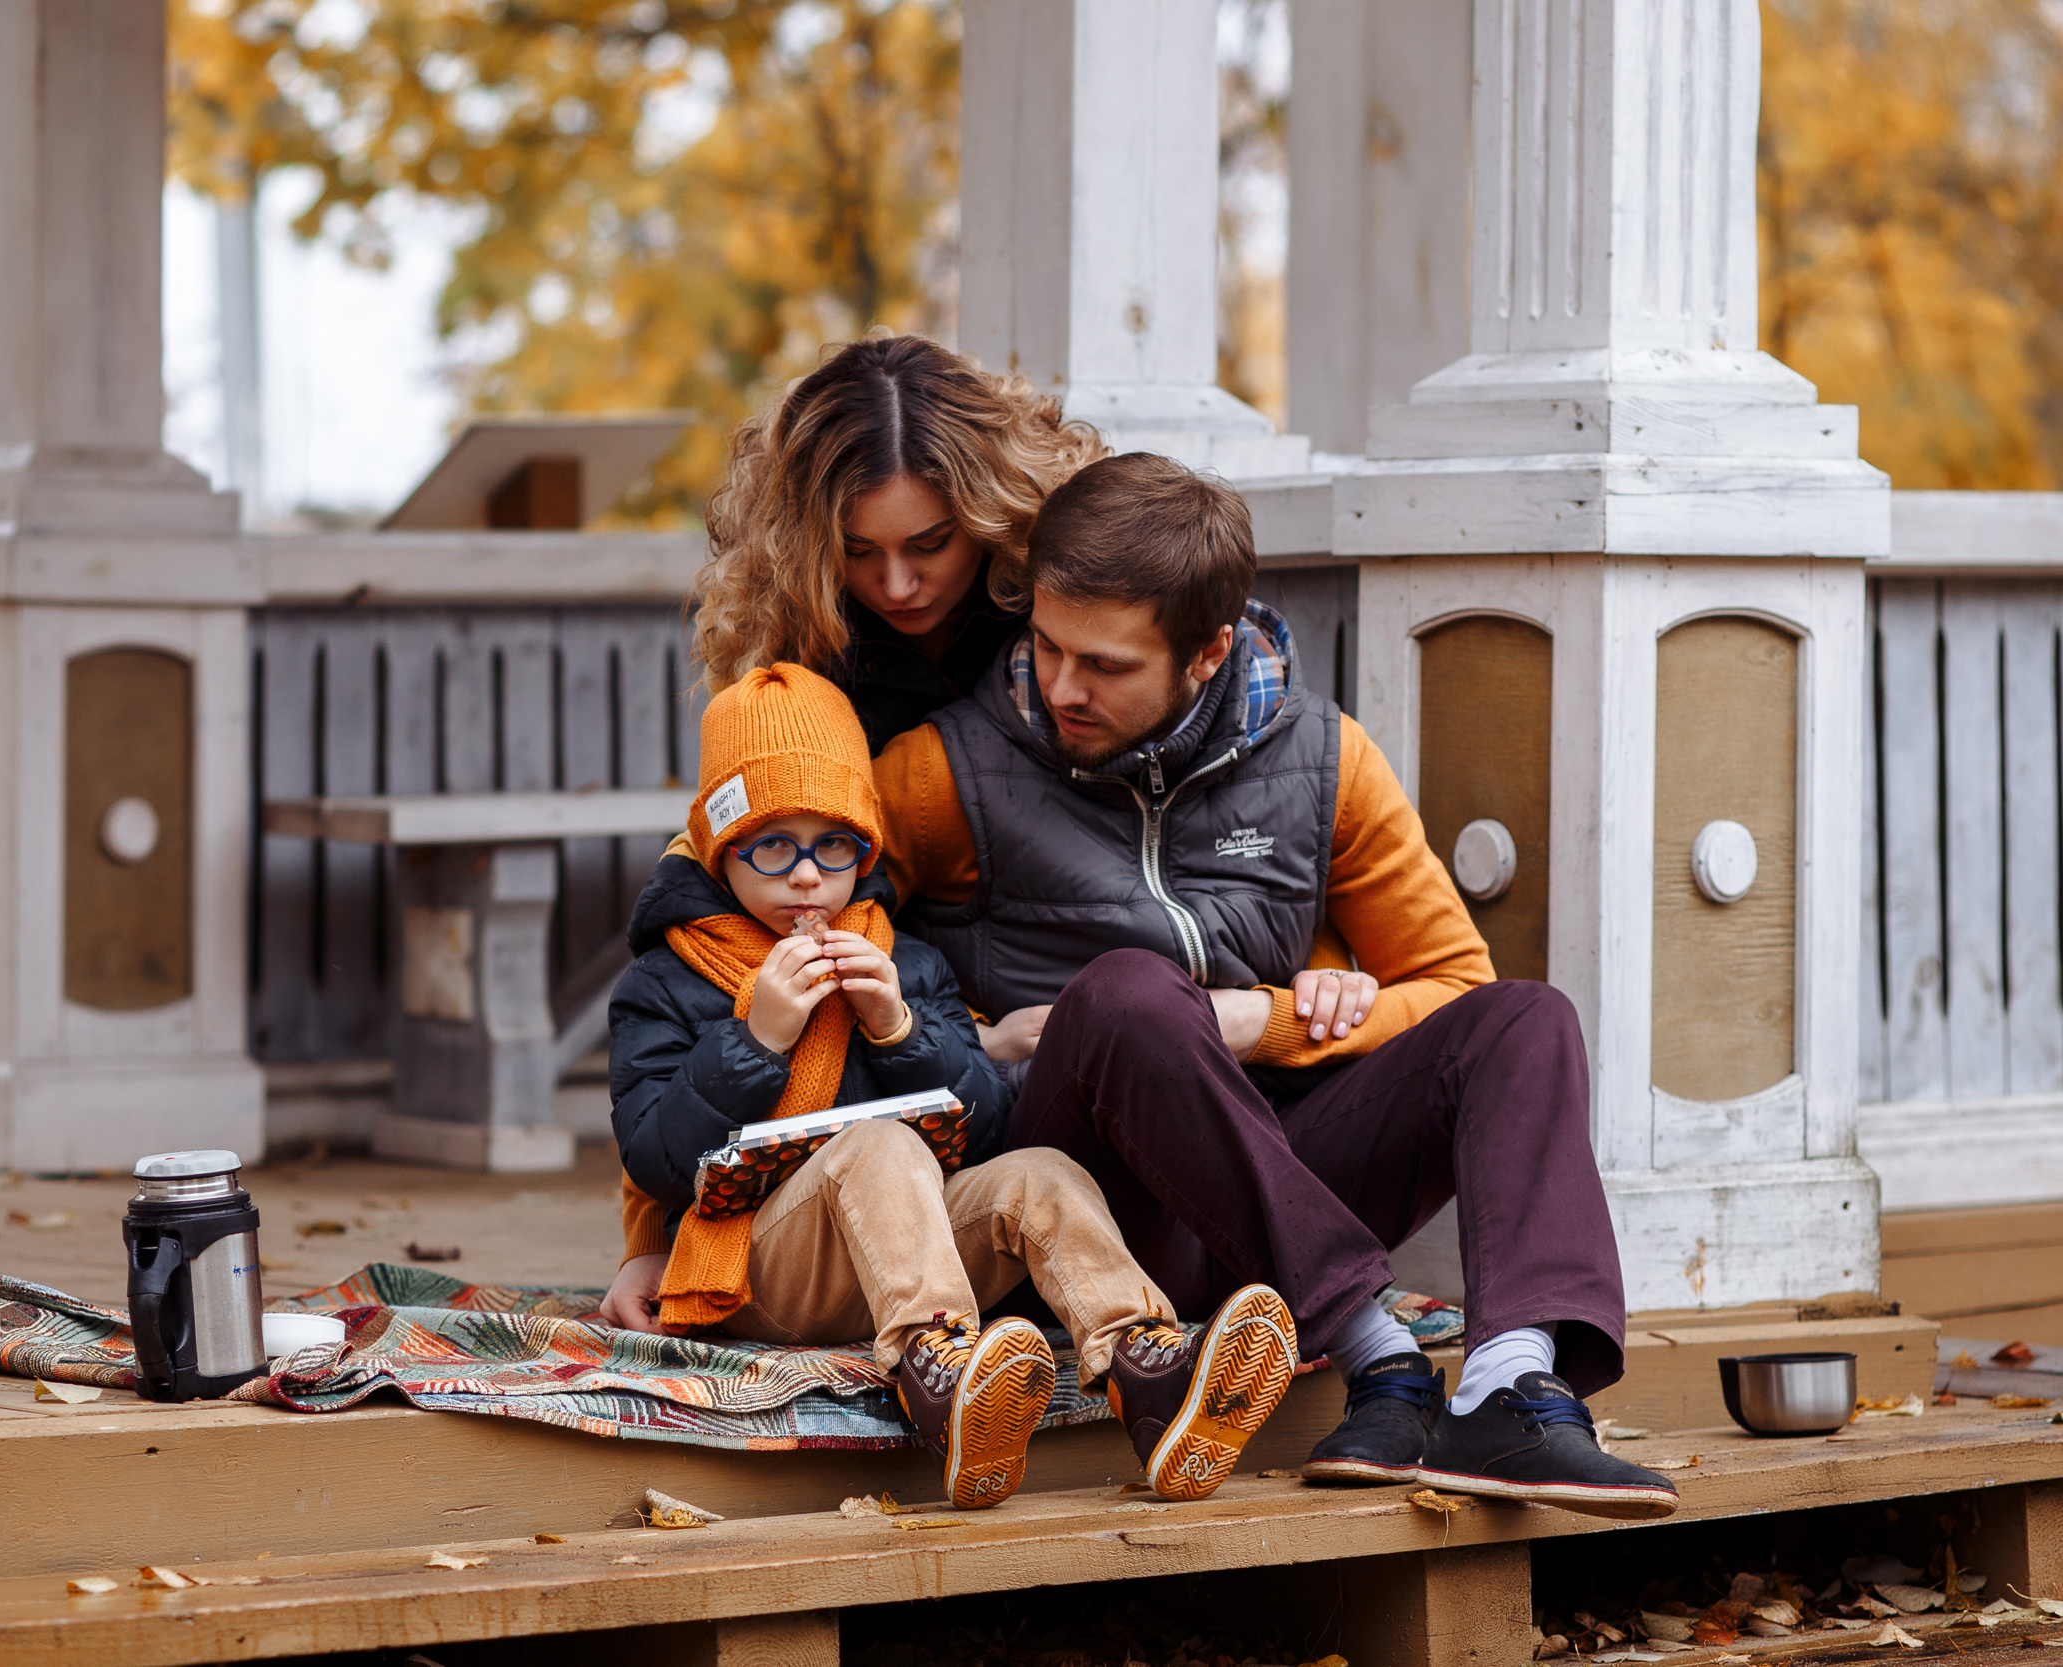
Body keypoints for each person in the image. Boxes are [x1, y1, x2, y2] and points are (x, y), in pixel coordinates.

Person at [871, 452, 1680, 1520]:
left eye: (1104, 665)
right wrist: (977, 1037)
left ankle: (1506, 1385)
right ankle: (1376, 1352)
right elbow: (790, 947)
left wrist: (1272, 1017)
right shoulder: (943, 770)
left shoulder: (1324, 759)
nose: (1061, 687)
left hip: (1272, 1184)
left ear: (1208, 653)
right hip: (1087, 1220)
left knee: (1525, 1019)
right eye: (1046, 645)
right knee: (1121, 993)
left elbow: (1450, 981)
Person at [597, 662, 1297, 1508]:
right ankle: (943, 1381)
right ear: (720, 847)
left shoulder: (905, 961)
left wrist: (898, 1027)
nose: (810, 877)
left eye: (836, 844)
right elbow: (655, 1153)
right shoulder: (665, 980)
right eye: (773, 845)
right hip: (759, 1267)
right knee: (879, 1144)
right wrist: (757, 1040)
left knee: (1037, 1170)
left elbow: (989, 1119)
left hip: (897, 1246)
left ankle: (1148, 1372)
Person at [694, 333, 1107, 753]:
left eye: (931, 545)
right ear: (804, 546)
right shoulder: (786, 627)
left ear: (994, 515)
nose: (897, 587)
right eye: (855, 551)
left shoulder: (1059, 590)